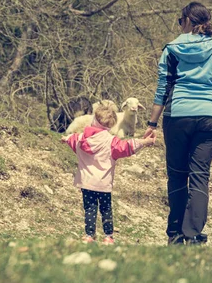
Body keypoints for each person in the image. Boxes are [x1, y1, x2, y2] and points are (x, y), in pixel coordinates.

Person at [143, 2, 212, 246]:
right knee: (199, 175)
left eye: (180, 20)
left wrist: (152, 123)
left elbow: (163, 89)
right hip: (208, 118)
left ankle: (175, 234)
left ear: (187, 20)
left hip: (177, 116)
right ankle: (193, 233)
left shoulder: (172, 49)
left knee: (176, 175)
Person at [62, 104, 155, 245]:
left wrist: (65, 138)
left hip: (86, 183)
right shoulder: (111, 142)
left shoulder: (80, 139)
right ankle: (108, 236)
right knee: (106, 210)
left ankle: (89, 235)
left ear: (94, 120)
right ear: (110, 125)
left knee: (89, 209)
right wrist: (145, 141)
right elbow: (128, 146)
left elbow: (71, 139)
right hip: (103, 184)